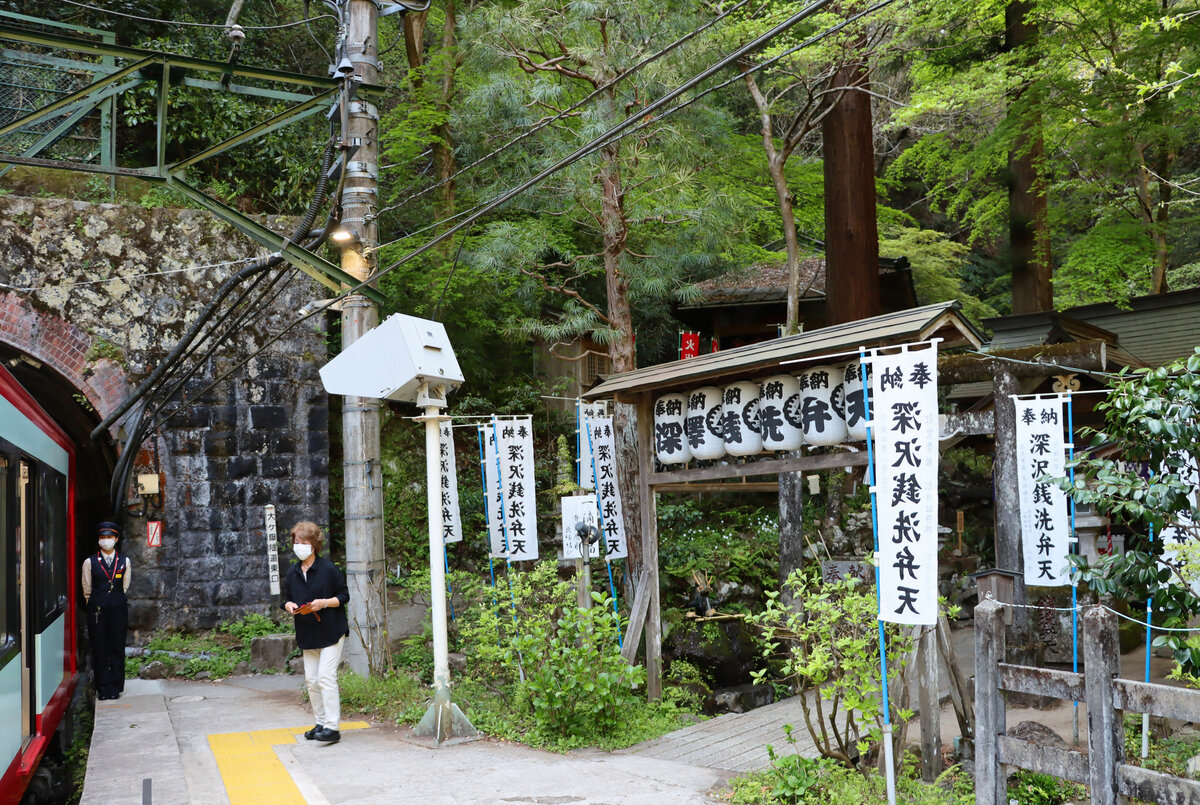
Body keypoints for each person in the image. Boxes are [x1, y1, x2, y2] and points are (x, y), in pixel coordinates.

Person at [282, 521, 349, 743]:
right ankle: (320, 722)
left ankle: (332, 728)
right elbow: (287, 598)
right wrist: (289, 605)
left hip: (331, 632)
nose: (298, 546)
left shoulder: (328, 570)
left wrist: (324, 603)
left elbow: (343, 596)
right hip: (308, 633)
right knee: (312, 680)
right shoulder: (292, 573)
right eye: (296, 542)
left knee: (326, 677)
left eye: (303, 542)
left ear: (314, 545)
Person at [82, 520, 130, 701]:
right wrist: (96, 602)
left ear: (116, 539)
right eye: (103, 537)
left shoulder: (124, 561)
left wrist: (114, 599)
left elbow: (125, 586)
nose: (106, 540)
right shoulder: (90, 562)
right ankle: (103, 688)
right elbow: (87, 588)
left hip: (118, 609)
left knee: (116, 647)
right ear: (98, 540)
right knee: (100, 648)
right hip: (97, 610)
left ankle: (116, 686)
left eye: (109, 537)